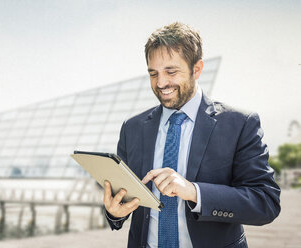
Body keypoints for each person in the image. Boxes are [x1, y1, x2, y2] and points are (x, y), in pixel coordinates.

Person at [103, 22, 281, 248]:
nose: (161, 83)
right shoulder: (132, 128)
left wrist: (194, 192)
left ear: (197, 69)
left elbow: (265, 202)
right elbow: (125, 195)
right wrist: (114, 212)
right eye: (153, 73)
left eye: (171, 71)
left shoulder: (240, 124)